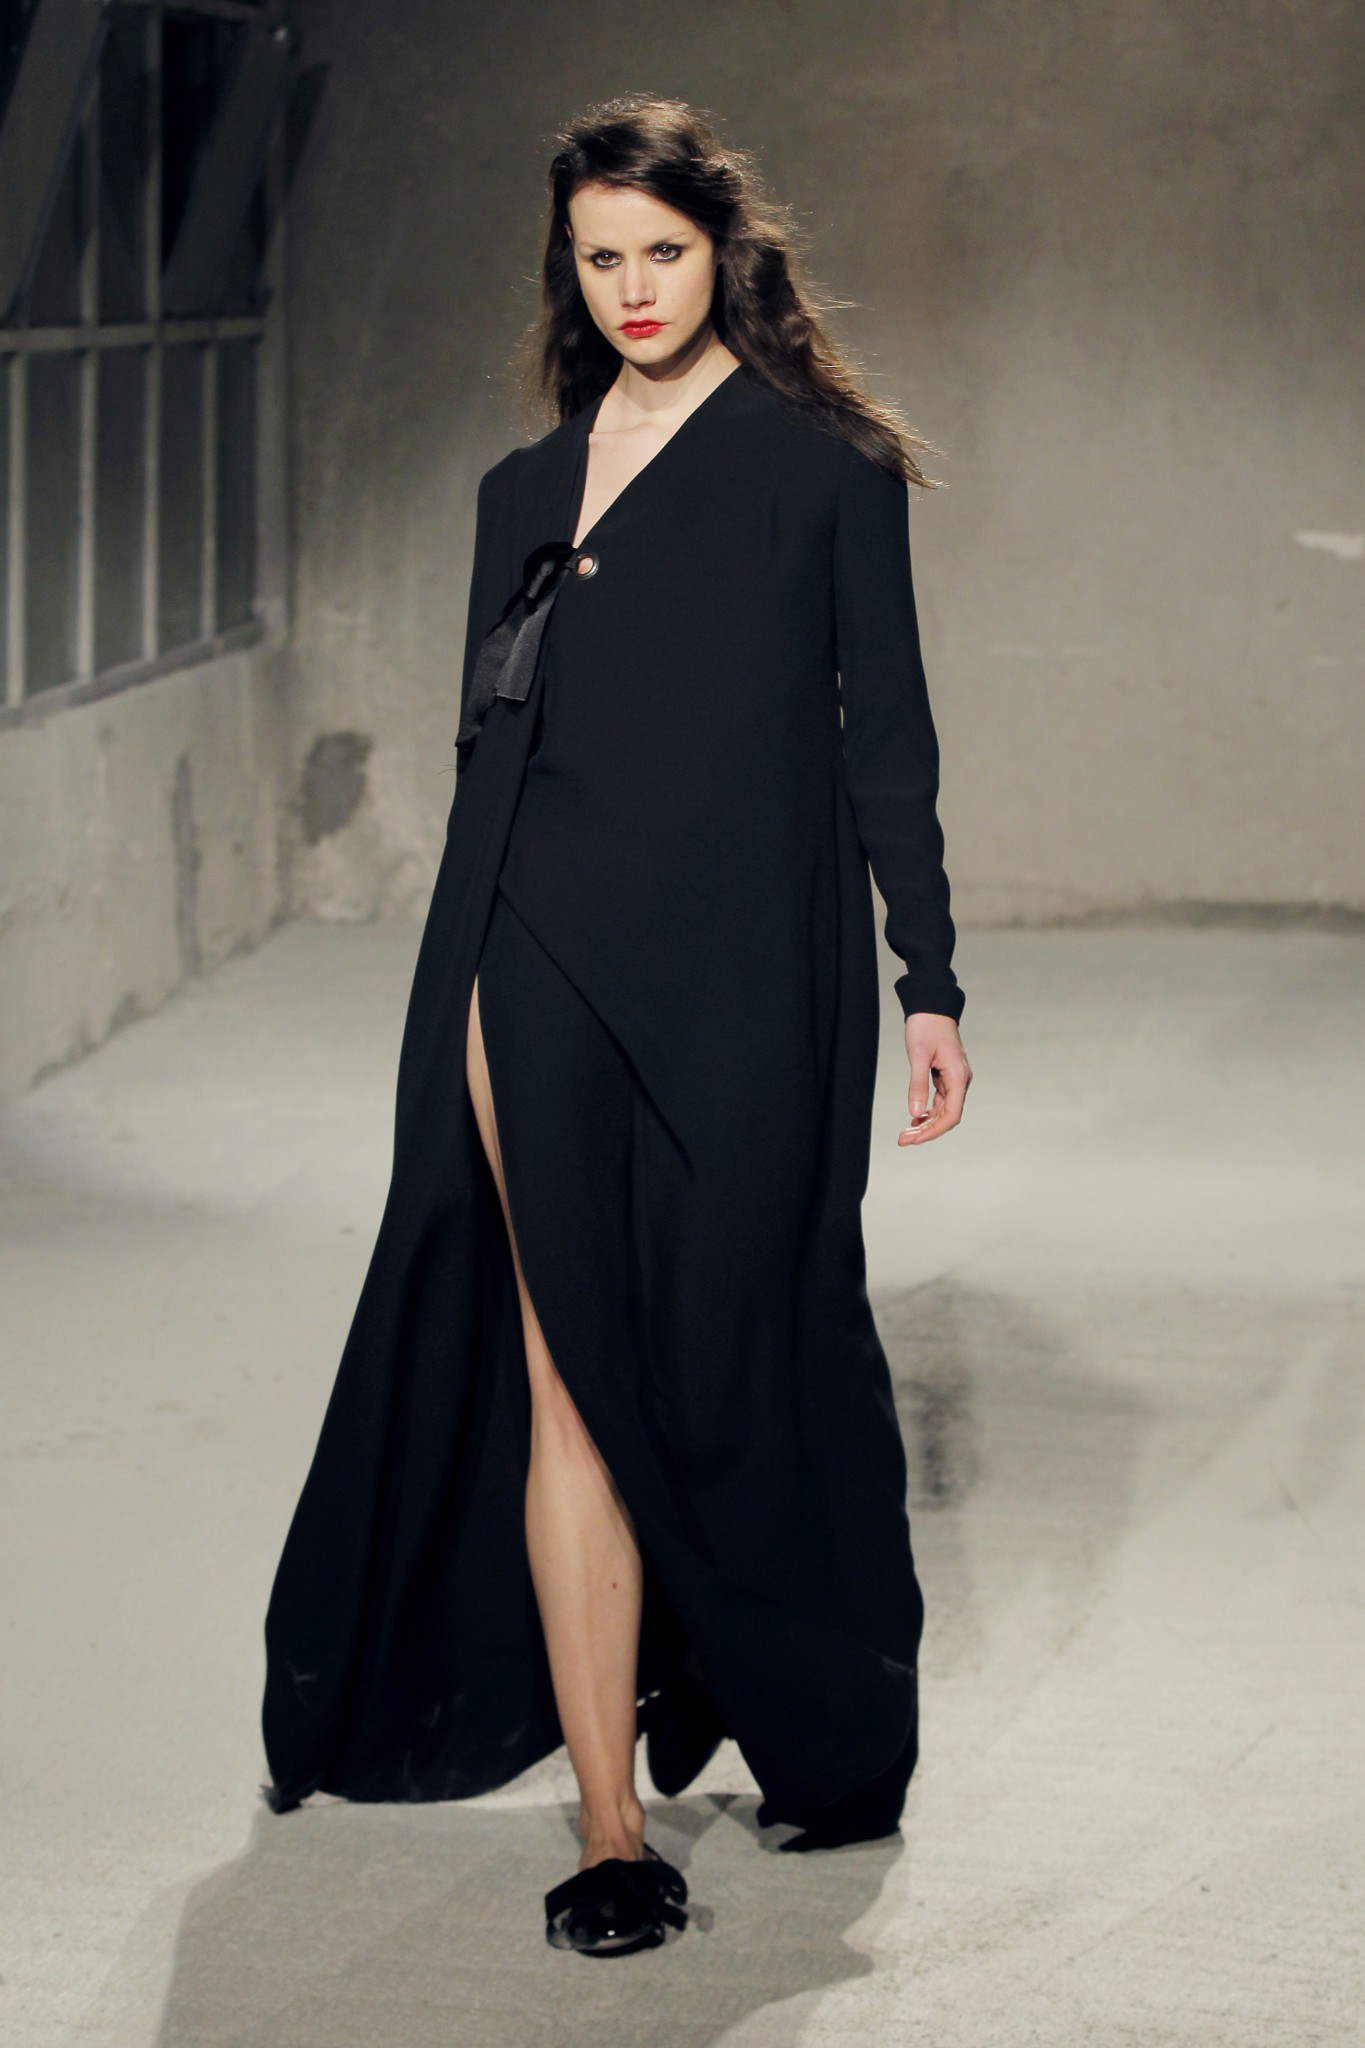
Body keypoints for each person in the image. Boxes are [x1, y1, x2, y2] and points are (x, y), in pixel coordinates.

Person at [261, 94, 972, 1960]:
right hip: (531, 956)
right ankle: (605, 1826)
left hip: (756, 977)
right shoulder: (524, 493)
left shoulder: (822, 469)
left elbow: (885, 739)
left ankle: (755, 1674)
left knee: (751, 1348)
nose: (635, 288)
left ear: (722, 251)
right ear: (565, 271)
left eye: (663, 251)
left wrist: (929, 980)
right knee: (566, 1364)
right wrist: (459, 979)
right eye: (601, 258)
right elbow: (487, 746)